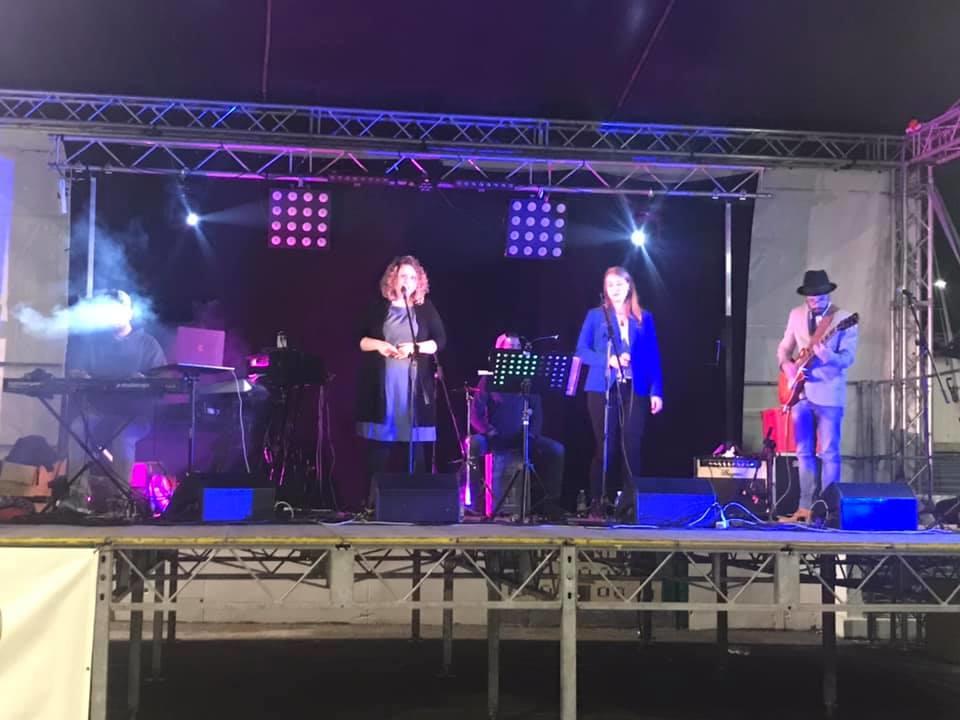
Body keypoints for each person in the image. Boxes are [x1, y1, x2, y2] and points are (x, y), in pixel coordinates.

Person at [65, 289, 167, 510]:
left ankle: (119, 501)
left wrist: (144, 381)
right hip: (97, 411)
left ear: (129, 312)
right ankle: (77, 496)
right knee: (77, 429)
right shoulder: (92, 343)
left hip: (134, 416)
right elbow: (77, 372)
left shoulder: (147, 344)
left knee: (123, 437)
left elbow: (163, 381)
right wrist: (79, 375)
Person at [576, 266, 663, 515]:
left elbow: (653, 356)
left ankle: (630, 504)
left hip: (635, 388)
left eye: (619, 284)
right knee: (605, 447)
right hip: (602, 388)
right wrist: (609, 360)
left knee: (631, 446)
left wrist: (657, 390)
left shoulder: (644, 317)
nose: (615, 289)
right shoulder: (596, 316)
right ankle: (597, 501)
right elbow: (581, 351)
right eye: (610, 285)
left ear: (629, 286)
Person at [357, 256, 447, 499]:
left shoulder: (424, 308)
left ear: (419, 282)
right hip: (384, 386)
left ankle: (416, 504)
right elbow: (359, 339)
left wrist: (414, 348)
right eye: (403, 276)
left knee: (415, 452)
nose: (408, 281)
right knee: (379, 450)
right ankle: (371, 505)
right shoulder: (378, 307)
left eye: (412, 277)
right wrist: (380, 345)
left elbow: (439, 341)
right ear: (393, 279)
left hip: (414, 387)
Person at [776, 269, 858, 522]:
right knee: (804, 453)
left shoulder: (843, 319)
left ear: (828, 294)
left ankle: (826, 511)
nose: (815, 300)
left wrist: (826, 355)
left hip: (829, 395)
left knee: (830, 453)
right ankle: (804, 508)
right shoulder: (796, 314)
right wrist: (786, 366)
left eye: (820, 296)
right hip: (799, 393)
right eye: (811, 297)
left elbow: (847, 359)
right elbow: (784, 347)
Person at [467, 333, 565, 519]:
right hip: (494, 437)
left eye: (516, 347)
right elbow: (475, 414)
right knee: (473, 444)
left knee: (556, 450)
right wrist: (488, 430)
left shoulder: (528, 379)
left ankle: (549, 504)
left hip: (523, 437)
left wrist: (532, 435)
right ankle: (474, 503)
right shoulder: (489, 379)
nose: (513, 351)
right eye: (509, 347)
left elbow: (538, 413)